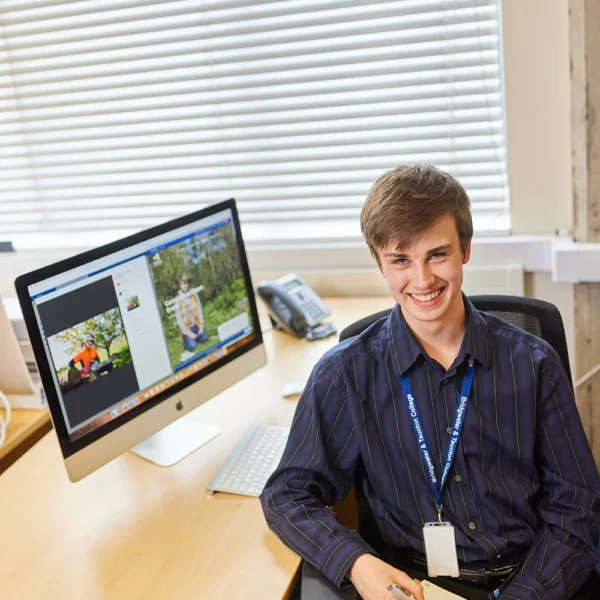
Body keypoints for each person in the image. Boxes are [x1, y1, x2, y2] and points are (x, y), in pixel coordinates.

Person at [261, 165, 600, 600]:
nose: (422, 281)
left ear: (465, 249)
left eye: (437, 254)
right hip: (418, 587)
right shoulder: (347, 373)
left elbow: (578, 506)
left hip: (534, 579)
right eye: (401, 260)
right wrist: (356, 563)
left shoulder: (534, 363)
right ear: (380, 264)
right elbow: (287, 494)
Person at [175, 273, 208, 351]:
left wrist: (201, 327)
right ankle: (186, 341)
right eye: (182, 284)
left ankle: (197, 336)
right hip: (187, 329)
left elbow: (199, 310)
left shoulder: (193, 294)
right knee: (192, 346)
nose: (184, 286)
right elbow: (179, 321)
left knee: (204, 339)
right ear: (179, 286)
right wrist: (189, 334)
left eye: (185, 283)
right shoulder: (177, 300)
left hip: (196, 325)